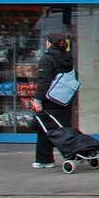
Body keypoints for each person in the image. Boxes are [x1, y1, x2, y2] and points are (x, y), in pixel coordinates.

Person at [31, 31, 76, 170]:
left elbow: (44, 81)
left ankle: (44, 159)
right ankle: (72, 153)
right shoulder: (68, 58)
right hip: (64, 99)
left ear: (49, 43)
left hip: (50, 99)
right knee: (63, 127)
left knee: (44, 127)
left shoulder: (47, 59)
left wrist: (38, 99)